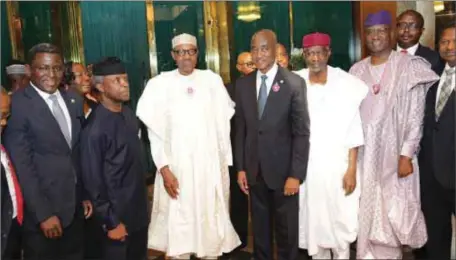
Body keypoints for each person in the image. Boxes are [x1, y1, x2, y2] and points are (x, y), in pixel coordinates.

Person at [137, 33, 240, 259]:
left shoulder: (211, 81)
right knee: (179, 229)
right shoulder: (159, 84)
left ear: (197, 55)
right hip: (177, 169)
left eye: (190, 51)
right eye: (181, 52)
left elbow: (224, 125)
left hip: (207, 168)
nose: (186, 57)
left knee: (209, 227)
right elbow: (154, 134)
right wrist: (164, 168)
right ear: (173, 55)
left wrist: (224, 165)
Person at [348, 10, 439, 259]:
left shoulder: (409, 66)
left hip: (395, 153)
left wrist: (406, 154)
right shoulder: (356, 71)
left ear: (391, 33)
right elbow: (349, 119)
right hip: (365, 155)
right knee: (366, 209)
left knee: (394, 212)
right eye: (370, 32)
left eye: (381, 30)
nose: (375, 36)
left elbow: (415, 115)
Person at [3, 43, 93, 260]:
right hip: (43, 215)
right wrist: (43, 214)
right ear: (28, 70)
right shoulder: (18, 106)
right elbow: (22, 165)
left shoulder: (73, 99)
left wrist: (84, 194)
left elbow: (76, 153)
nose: (51, 75)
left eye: (57, 68)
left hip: (74, 209)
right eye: (43, 68)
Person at [234, 29, 310, 260]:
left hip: (284, 174)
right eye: (254, 48)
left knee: (287, 234)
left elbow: (301, 133)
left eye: (264, 48)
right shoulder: (243, 85)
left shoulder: (293, 83)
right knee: (259, 233)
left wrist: (295, 175)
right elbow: (241, 130)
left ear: (276, 50)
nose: (258, 54)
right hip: (255, 172)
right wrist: (241, 168)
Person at [294, 32, 368, 259]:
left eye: (319, 52)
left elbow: (354, 129)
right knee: (315, 222)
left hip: (339, 167)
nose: (315, 58)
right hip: (309, 168)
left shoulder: (346, 83)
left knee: (340, 220)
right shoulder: (295, 82)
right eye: (310, 53)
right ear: (304, 55)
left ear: (328, 53)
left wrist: (352, 170)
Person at [80, 57, 149, 260]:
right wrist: (111, 222)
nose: (125, 84)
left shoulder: (128, 115)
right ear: (100, 86)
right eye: (117, 80)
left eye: (125, 79)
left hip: (138, 213)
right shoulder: (94, 128)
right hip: (116, 218)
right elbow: (93, 182)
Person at [417, 22, 456, 259]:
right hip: (432, 174)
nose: (449, 46)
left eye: (454, 41)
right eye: (444, 41)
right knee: (436, 234)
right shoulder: (434, 76)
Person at [225, 51, 255, 254]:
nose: (249, 67)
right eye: (245, 64)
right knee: (238, 198)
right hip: (237, 150)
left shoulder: (265, 85)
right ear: (237, 67)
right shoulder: (228, 89)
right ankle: (240, 238)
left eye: (252, 63)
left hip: (261, 151)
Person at [1, 86, 23, 260]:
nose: (4, 123)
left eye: (6, 116)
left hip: (11, 229)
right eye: (0, 116)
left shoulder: (3, 145)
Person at [396, 9, 444, 74]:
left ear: (422, 31)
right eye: (402, 25)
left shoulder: (434, 58)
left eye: (412, 26)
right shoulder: (384, 54)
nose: (406, 30)